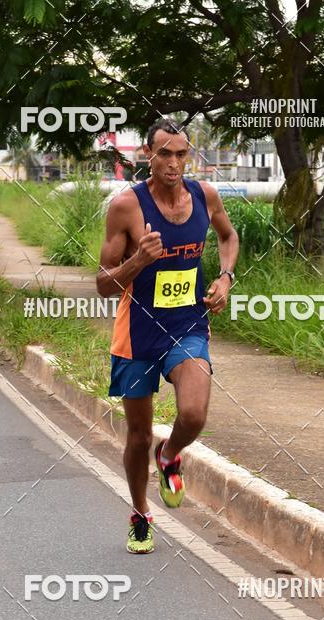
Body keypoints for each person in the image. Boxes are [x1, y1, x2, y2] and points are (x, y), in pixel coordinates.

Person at [97, 118, 239, 553]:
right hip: (137, 333)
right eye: (165, 154)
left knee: (194, 414)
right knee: (137, 436)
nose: (174, 163)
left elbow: (229, 236)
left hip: (187, 325)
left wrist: (226, 278)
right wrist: (137, 261)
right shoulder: (127, 207)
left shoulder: (204, 195)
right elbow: (103, 284)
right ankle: (140, 514)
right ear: (149, 155)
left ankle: (170, 454)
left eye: (181, 154)